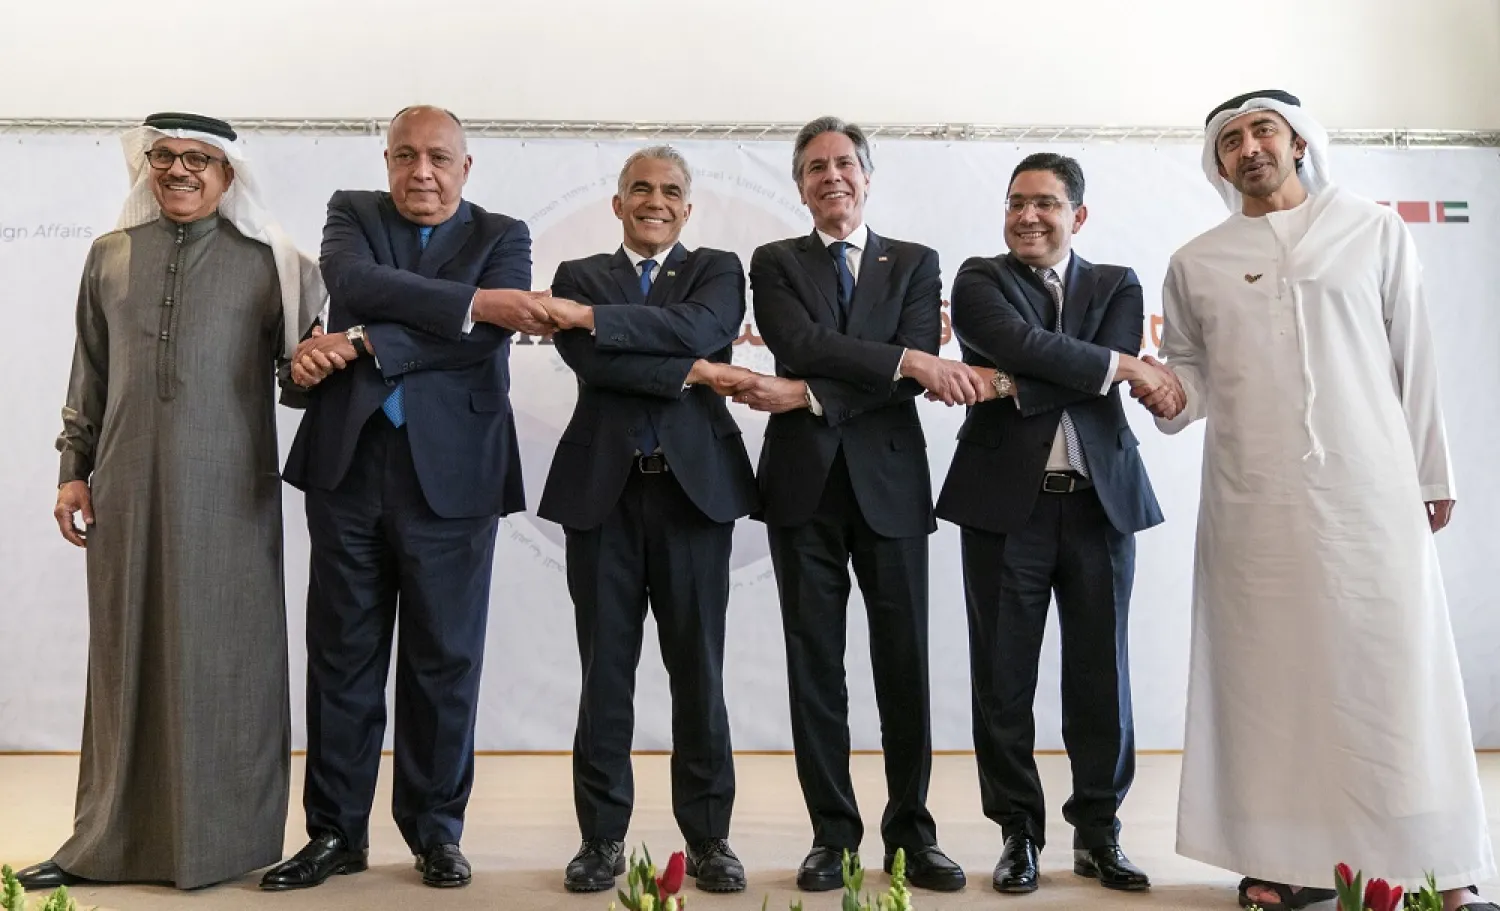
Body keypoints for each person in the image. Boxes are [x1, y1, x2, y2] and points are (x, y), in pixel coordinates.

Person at [1142, 88, 1496, 911]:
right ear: (1218, 162)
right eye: (1230, 140)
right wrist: (1167, 395)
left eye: (1263, 129)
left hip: (1370, 491)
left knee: (1395, 673)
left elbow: (1416, 354)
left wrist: (1432, 473)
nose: (1249, 147)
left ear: (1299, 142)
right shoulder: (1196, 260)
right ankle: (1286, 862)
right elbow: (1192, 382)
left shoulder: (1372, 229)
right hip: (1253, 501)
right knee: (1270, 683)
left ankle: (1437, 863)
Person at [22, 111, 323, 890]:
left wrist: (317, 358)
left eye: (198, 159)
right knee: (124, 660)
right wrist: (71, 469)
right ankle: (104, 839)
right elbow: (88, 372)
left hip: (230, 493)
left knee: (225, 661)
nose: (179, 170)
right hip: (123, 488)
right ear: (146, 165)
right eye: (164, 156)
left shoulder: (273, 265)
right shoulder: (110, 257)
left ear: (228, 176)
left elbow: (297, 387)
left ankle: (224, 843)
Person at [262, 105, 543, 890]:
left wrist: (360, 339)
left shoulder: (504, 233)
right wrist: (466, 302)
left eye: (439, 158)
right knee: (342, 657)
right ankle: (335, 834)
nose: (422, 172)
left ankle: (435, 831)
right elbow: (353, 281)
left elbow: (487, 335)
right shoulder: (351, 213)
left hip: (455, 476)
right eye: (406, 156)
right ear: (386, 160)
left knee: (443, 661)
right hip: (351, 465)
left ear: (466, 166)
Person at [734, 115, 979, 894]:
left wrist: (809, 393)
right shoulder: (773, 261)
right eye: (814, 167)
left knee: (904, 668)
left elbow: (901, 379)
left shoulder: (915, 261)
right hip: (802, 490)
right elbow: (800, 340)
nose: (831, 176)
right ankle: (832, 835)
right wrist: (904, 357)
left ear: (867, 177)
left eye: (844, 163)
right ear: (800, 184)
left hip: (893, 489)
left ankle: (912, 830)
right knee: (817, 669)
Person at [936, 152, 1165, 896]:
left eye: (1044, 203)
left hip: (1100, 504)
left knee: (1103, 676)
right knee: (1003, 678)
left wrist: (1009, 383)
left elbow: (1061, 364)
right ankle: (1018, 834)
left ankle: (1099, 834)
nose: (1027, 216)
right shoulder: (978, 279)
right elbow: (1037, 348)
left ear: (1079, 216)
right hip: (1007, 506)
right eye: (1015, 203)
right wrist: (1114, 368)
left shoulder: (1117, 283)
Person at [535, 146, 759, 895]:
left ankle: (709, 839)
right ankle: (600, 838)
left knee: (699, 672)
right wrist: (694, 370)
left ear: (687, 207)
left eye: (669, 190)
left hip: (694, 499)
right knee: (606, 677)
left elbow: (703, 325)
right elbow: (594, 365)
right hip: (603, 496)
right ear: (618, 202)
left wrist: (609, 324)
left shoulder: (719, 268)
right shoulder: (576, 276)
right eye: (640, 188)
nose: (654, 200)